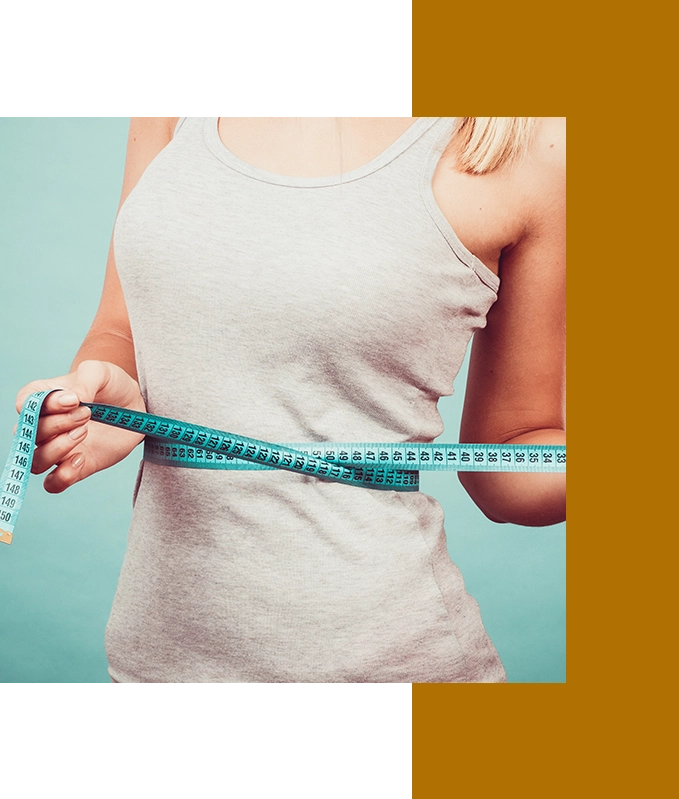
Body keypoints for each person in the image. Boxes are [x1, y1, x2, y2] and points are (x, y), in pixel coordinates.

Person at [15, 116, 565, 684]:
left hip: (393, 667)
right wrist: (98, 397)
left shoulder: (527, 139)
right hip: (158, 660)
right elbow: (120, 328)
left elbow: (506, 460)